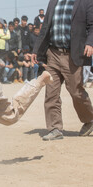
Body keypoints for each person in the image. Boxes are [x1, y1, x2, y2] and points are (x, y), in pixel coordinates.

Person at [32, 0, 93, 140]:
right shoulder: (54, 2)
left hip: (73, 55)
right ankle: (54, 128)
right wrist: (36, 49)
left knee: (76, 91)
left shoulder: (86, 2)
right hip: (52, 53)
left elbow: (92, 25)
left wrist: (90, 43)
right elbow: (46, 26)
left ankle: (89, 120)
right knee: (51, 93)